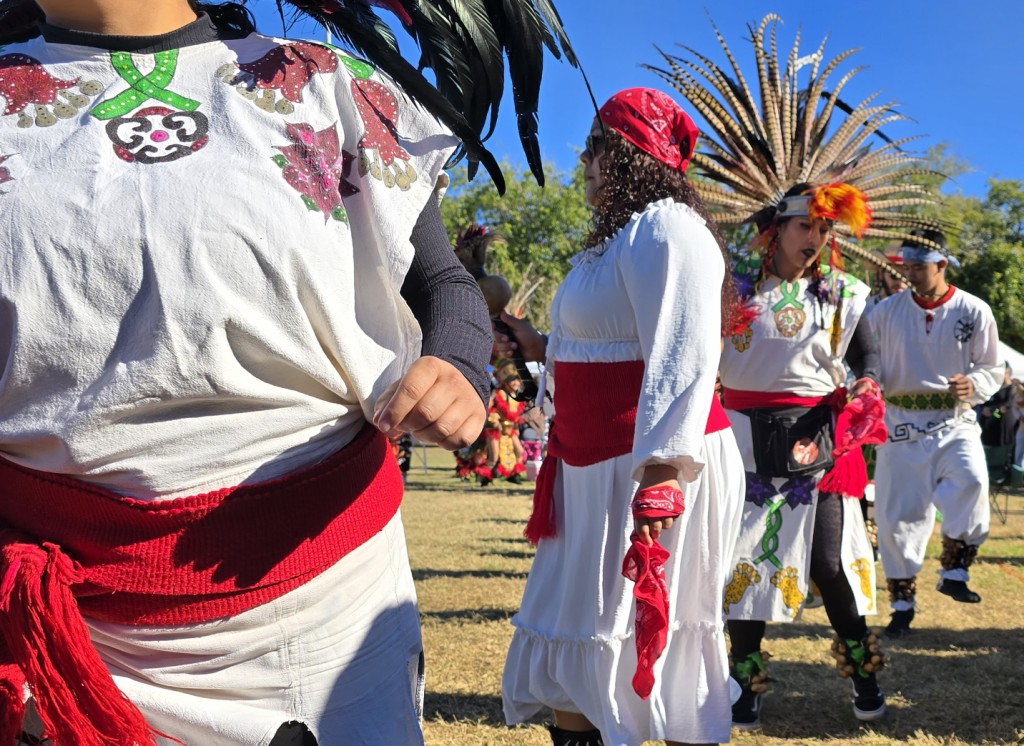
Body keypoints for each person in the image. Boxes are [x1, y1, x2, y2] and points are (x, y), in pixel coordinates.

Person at [0, 0, 582, 744]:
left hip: (322, 618)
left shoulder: (325, 86)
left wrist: (459, 363)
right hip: (65, 640)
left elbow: (439, 282)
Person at [496, 87, 745, 746]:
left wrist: (662, 472)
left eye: (594, 147)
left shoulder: (669, 226)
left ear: (630, 155)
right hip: (588, 466)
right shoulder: (613, 242)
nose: (583, 160)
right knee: (578, 636)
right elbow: (601, 348)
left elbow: (687, 349)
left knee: (641, 636)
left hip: (649, 466)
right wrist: (535, 350)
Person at [719, 183, 887, 728]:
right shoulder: (733, 291)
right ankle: (745, 685)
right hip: (742, 439)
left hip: (819, 438)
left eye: (824, 229)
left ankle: (864, 671)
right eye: (804, 226)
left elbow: (867, 357)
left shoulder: (843, 292)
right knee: (743, 563)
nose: (814, 238)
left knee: (828, 564)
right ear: (777, 228)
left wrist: (865, 384)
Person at [867, 229, 1003, 637]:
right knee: (898, 517)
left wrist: (974, 385)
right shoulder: (885, 312)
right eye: (905, 266)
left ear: (942, 265)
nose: (909, 273)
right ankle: (903, 604)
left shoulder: (973, 309)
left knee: (973, 480)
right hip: (900, 422)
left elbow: (993, 367)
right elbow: (864, 359)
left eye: (918, 267)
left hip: (954, 418)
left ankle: (955, 569)